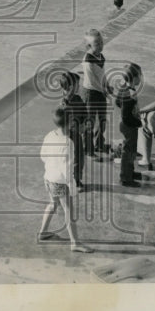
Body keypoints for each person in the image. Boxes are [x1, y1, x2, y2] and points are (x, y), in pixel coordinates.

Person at [37, 107, 93, 252]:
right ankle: (75, 243)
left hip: (48, 178)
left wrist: (51, 166)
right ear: (70, 123)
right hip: (61, 182)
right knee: (69, 211)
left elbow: (43, 155)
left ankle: (42, 233)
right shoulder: (68, 143)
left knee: (52, 205)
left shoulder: (50, 135)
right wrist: (72, 187)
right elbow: (67, 170)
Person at [112, 63, 144, 187]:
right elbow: (126, 115)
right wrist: (138, 122)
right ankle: (125, 178)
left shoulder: (124, 88)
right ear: (134, 78)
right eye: (140, 76)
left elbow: (117, 102)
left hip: (127, 124)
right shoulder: (129, 93)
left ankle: (130, 172)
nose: (141, 78)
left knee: (131, 151)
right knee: (128, 151)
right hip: (129, 125)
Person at [80, 29, 109, 156]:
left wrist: (107, 85)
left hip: (100, 91)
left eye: (101, 42)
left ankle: (99, 143)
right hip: (90, 93)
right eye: (97, 43)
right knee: (89, 121)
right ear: (89, 46)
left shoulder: (100, 56)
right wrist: (105, 90)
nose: (101, 45)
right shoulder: (88, 61)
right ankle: (87, 147)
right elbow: (93, 81)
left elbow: (102, 74)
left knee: (102, 120)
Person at [57, 71, 88, 191]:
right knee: (71, 159)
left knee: (79, 157)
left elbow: (85, 113)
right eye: (77, 85)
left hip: (77, 135)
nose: (79, 87)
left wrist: (84, 123)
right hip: (68, 136)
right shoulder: (63, 104)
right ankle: (71, 181)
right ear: (70, 88)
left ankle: (77, 179)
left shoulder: (78, 99)